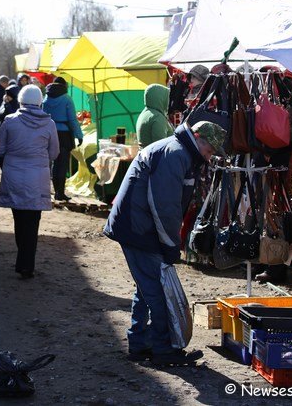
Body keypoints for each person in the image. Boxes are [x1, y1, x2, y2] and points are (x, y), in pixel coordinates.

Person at [104, 121, 226, 366]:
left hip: (136, 226)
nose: (209, 156)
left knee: (146, 286)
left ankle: (140, 343)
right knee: (157, 291)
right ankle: (162, 348)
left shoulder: (177, 150)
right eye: (210, 150)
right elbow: (165, 207)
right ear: (199, 139)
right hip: (139, 228)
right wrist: (171, 244)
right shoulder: (176, 154)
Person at [0, 85, 59, 279]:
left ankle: (23, 259)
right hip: (37, 179)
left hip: (13, 176)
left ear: (20, 100)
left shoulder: (10, 121)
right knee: (32, 222)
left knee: (19, 219)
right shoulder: (49, 124)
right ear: (39, 101)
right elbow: (54, 153)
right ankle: (26, 264)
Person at [42, 76, 83, 201]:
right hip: (64, 135)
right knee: (63, 163)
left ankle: (55, 191)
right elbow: (72, 120)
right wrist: (79, 135)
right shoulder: (67, 99)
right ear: (64, 86)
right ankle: (60, 192)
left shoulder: (46, 99)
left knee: (54, 162)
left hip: (50, 132)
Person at [136, 84, 173, 149]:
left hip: (144, 155)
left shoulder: (144, 113)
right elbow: (161, 146)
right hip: (155, 157)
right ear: (160, 99)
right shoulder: (157, 117)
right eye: (167, 98)